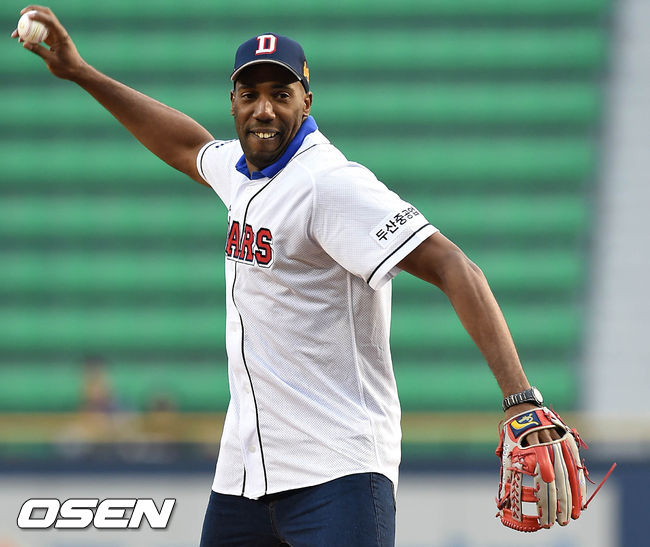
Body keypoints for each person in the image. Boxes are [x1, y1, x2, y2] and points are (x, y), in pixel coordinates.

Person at [13, 7, 558, 546]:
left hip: (338, 472)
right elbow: (187, 146)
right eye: (250, 94)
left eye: (281, 93)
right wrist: (80, 72)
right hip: (244, 476)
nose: (264, 109)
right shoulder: (241, 170)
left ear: (306, 101)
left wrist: (521, 400)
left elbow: (453, 265)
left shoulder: (329, 183)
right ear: (233, 103)